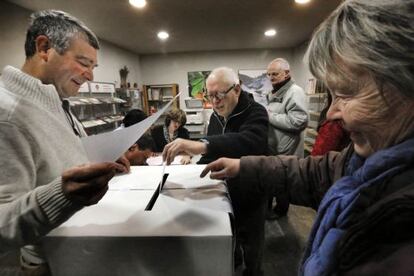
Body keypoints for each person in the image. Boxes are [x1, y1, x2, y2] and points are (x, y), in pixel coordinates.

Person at [201, 0, 414, 275]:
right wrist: (242, 166)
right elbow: (315, 172)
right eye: (331, 95)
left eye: (347, 93)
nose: (333, 112)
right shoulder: (367, 155)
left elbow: (291, 124)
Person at [0, 10, 129, 275]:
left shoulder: (56, 100)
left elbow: (57, 160)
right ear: (44, 48)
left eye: (93, 67)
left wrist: (101, 159)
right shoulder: (7, 114)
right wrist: (62, 194)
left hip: (76, 253)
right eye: (83, 62)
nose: (90, 76)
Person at [163, 67, 269, 276]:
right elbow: (214, 152)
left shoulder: (256, 112)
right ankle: (235, 262)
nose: (214, 102)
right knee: (232, 233)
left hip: (250, 189)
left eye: (219, 95)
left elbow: (250, 142)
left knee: (252, 240)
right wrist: (194, 170)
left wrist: (202, 145)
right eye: (209, 96)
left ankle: (254, 271)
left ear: (236, 89)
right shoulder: (216, 116)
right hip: (225, 188)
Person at [265, 58, 309, 220]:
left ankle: (280, 211)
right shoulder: (276, 91)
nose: (271, 77)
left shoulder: (294, 92)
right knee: (272, 178)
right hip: (274, 146)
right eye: (268, 74)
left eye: (275, 74)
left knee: (282, 181)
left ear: (286, 73)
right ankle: (268, 208)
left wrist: (270, 116)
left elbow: (299, 121)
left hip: (285, 148)